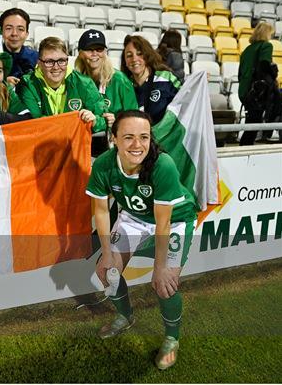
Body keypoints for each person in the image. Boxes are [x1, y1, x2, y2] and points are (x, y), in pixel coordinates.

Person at [86, 110, 197, 370]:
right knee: (106, 271)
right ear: (114, 139)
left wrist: (160, 268)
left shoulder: (162, 164)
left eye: (144, 137)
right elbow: (101, 210)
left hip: (175, 219)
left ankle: (172, 338)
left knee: (164, 284)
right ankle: (125, 317)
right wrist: (108, 252)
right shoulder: (104, 164)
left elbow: (163, 222)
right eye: (128, 137)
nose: (137, 145)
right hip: (134, 217)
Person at [16, 37, 108, 132]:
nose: (56, 67)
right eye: (49, 62)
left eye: (61, 61)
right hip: (41, 145)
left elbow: (106, 119)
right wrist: (74, 122)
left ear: (67, 61)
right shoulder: (28, 84)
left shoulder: (84, 83)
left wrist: (94, 121)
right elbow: (34, 122)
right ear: (39, 63)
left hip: (75, 146)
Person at [75, 29, 138, 154]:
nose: (95, 54)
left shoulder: (120, 80)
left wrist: (117, 121)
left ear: (105, 52)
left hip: (114, 146)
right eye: (89, 50)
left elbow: (134, 117)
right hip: (82, 145)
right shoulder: (75, 80)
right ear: (80, 53)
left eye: (99, 49)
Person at [121, 35, 181, 125]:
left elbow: (185, 99)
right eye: (129, 56)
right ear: (125, 62)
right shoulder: (123, 85)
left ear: (147, 56)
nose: (134, 59)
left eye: (139, 54)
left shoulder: (166, 78)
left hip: (165, 137)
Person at [238, 22, 278, 146]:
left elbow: (240, 73)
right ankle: (246, 150)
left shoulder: (246, 50)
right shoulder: (266, 46)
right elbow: (264, 64)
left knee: (252, 122)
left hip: (245, 91)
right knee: (254, 124)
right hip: (257, 92)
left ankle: (245, 148)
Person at [0, 8, 39, 87]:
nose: (14, 33)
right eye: (9, 28)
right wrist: (2, 84)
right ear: (1, 32)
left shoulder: (37, 58)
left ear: (27, 34)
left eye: (20, 29)